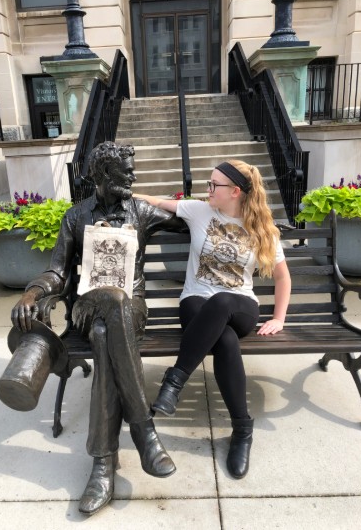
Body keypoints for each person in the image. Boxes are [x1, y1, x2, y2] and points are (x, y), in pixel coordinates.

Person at [11, 141, 186, 516]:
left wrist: (233, 213)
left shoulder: (141, 211)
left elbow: (188, 221)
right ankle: (144, 430)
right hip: (88, 307)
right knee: (110, 305)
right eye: (127, 172)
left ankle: (102, 465)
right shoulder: (75, 217)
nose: (134, 177)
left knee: (111, 327)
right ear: (105, 175)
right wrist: (32, 292)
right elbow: (57, 271)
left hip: (131, 311)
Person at [135, 159, 291, 480]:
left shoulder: (263, 229)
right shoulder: (197, 211)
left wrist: (279, 317)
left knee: (222, 302)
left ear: (235, 192)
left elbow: (282, 277)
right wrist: (122, 194)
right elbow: (153, 202)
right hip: (195, 304)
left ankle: (174, 382)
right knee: (226, 340)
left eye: (213, 185)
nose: (207, 190)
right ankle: (242, 430)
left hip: (241, 307)